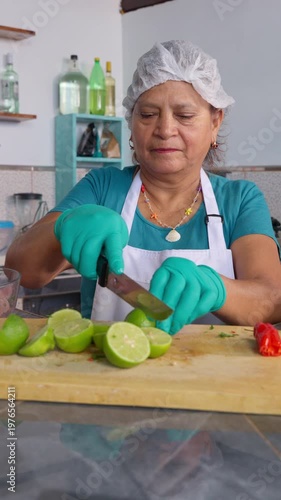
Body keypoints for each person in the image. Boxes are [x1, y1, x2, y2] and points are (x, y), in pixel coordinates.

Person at [6, 40, 281, 334]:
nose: (164, 129)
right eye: (148, 114)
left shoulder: (239, 199)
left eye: (184, 116)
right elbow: (22, 271)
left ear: (215, 122)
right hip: (108, 370)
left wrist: (218, 290)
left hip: (212, 376)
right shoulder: (103, 188)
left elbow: (272, 300)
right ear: (131, 124)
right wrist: (60, 229)